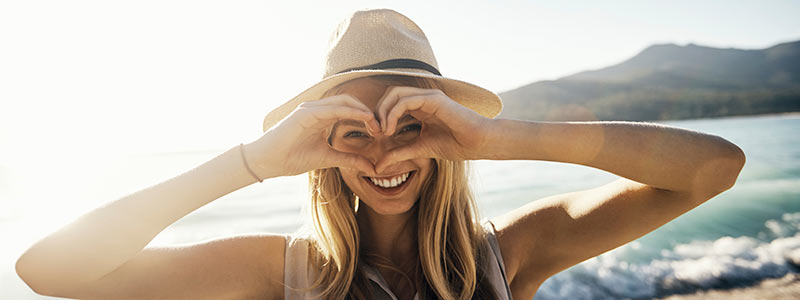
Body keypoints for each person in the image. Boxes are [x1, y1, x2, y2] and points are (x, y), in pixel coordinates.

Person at [16, 8, 745, 300]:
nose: (383, 152)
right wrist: (251, 164)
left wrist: (495, 138)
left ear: (446, 129)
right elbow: (50, 272)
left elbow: (716, 167)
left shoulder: (510, 254)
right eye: (353, 130)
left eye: (411, 123)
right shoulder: (285, 271)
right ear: (321, 149)